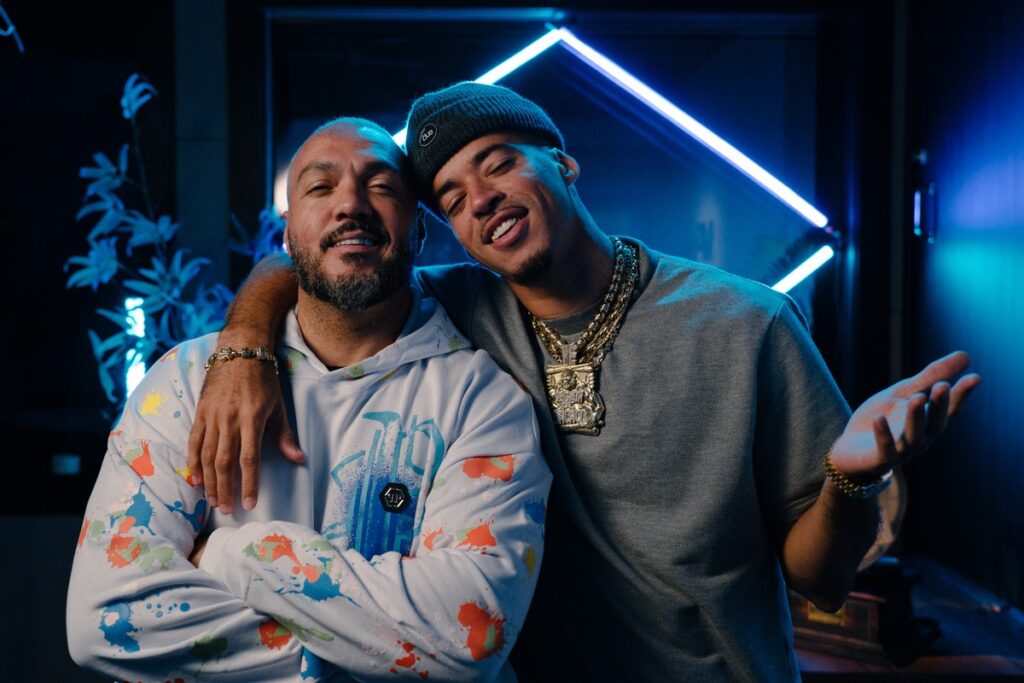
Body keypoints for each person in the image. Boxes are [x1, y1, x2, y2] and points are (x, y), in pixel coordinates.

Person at [189, 85, 980, 681]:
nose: (482, 199)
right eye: (454, 199)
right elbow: (318, 262)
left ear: (564, 164)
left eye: (499, 162)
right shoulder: (455, 311)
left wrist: (851, 476)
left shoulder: (748, 322)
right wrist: (244, 344)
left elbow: (822, 580)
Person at [67, 117, 551, 682]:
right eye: (320, 187)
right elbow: (105, 620)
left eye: (381, 186)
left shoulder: (484, 399)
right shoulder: (187, 381)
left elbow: (469, 639)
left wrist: (230, 554)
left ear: (419, 228)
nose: (351, 204)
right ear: (288, 233)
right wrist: (370, 655)